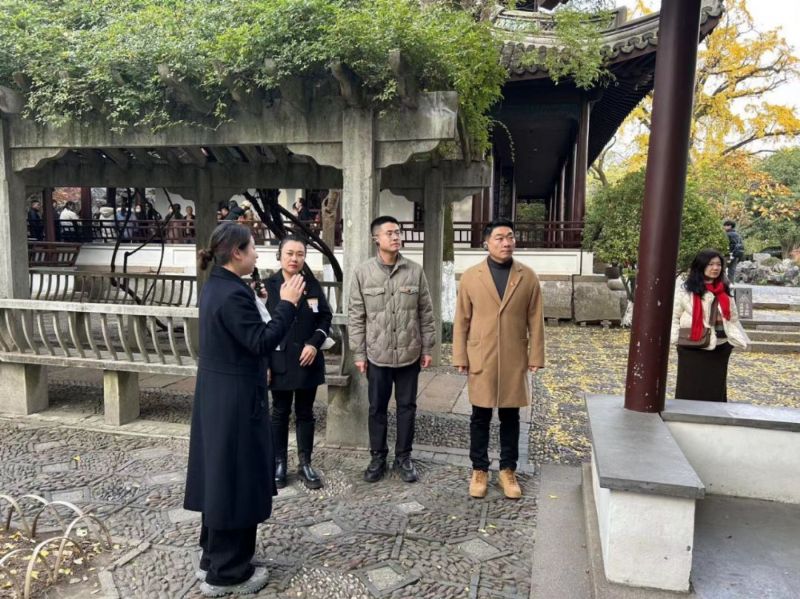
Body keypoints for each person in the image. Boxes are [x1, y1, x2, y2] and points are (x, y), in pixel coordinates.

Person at [183, 221, 305, 597]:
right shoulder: (232, 293)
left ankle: (214, 556)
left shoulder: (219, 285)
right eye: (252, 247)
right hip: (235, 400)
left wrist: (263, 303)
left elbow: (243, 335)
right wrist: (287, 305)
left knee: (222, 477)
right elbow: (261, 341)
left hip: (220, 394)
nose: (256, 254)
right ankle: (228, 573)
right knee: (235, 481)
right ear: (236, 252)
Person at [452, 218, 545, 500]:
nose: (507, 243)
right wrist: (460, 355)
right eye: (500, 238)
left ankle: (508, 469)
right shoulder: (471, 276)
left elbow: (535, 319)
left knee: (511, 416)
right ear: (487, 242)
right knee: (480, 415)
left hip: (514, 355)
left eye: (510, 237)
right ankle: (479, 468)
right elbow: (461, 319)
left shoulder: (527, 276)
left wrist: (536, 355)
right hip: (482, 353)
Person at [349, 215, 435, 484]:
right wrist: (359, 353)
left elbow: (426, 312)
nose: (396, 237)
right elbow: (356, 316)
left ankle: (404, 457)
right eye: (390, 233)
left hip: (409, 352)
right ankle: (377, 457)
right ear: (376, 238)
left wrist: (427, 347)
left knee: (407, 407)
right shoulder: (363, 273)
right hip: (377, 354)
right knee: (377, 408)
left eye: (398, 232)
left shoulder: (415, 271)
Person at [266, 236, 333, 490]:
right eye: (290, 253)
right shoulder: (268, 286)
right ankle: (279, 463)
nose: (295, 259)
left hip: (308, 359)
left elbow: (324, 317)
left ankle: (305, 463)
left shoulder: (311, 284)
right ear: (280, 256)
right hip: (279, 360)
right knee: (279, 412)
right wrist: (265, 363)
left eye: (300, 254)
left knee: (306, 413)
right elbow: (261, 326)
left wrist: (314, 343)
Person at [671, 249, 750, 403]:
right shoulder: (686, 291)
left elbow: (733, 318)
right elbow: (673, 317)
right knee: (689, 388)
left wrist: (735, 340)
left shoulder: (724, 290)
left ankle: (715, 415)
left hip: (720, 347)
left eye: (718, 264)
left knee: (715, 389)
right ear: (700, 266)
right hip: (692, 346)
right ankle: (687, 414)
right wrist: (674, 339)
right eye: (710, 264)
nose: (715, 268)